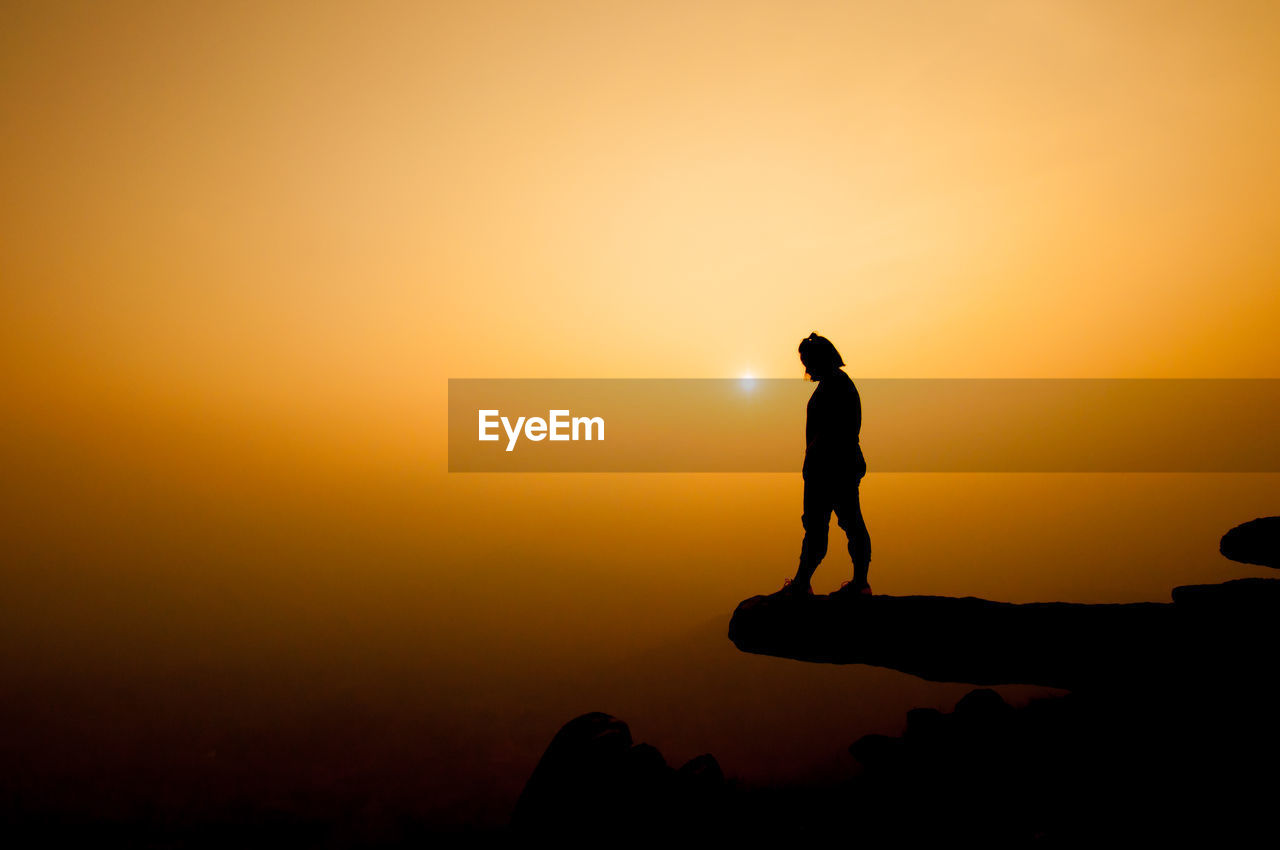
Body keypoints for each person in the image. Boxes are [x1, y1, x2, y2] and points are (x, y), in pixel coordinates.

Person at [779, 333, 872, 598]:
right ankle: (805, 581)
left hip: (833, 468)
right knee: (825, 525)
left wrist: (817, 464)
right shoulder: (835, 385)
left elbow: (836, 433)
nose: (806, 369)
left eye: (807, 361)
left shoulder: (837, 387)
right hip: (830, 467)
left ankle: (856, 583)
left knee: (842, 524)